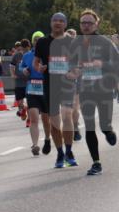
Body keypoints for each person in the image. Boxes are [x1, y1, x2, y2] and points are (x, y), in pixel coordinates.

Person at [69, 10, 119, 175]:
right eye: (83, 22)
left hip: (104, 90)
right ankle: (96, 163)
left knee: (104, 125)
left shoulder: (105, 42)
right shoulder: (75, 43)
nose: (86, 25)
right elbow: (70, 64)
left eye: (89, 23)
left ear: (96, 24)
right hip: (85, 90)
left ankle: (108, 131)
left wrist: (102, 64)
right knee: (89, 126)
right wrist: (72, 71)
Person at [33, 13, 78, 168]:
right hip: (49, 85)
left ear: (65, 24)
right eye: (55, 20)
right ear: (51, 23)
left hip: (67, 85)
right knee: (54, 122)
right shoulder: (42, 42)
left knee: (67, 116)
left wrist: (74, 73)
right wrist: (39, 68)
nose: (58, 23)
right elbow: (36, 63)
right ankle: (60, 153)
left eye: (61, 21)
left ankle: (69, 152)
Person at [20, 33, 51, 156]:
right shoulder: (27, 55)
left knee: (45, 119)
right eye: (35, 40)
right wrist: (24, 70)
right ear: (32, 42)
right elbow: (21, 67)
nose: (37, 42)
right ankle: (35, 144)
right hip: (32, 88)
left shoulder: (48, 53)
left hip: (45, 87)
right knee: (33, 119)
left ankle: (47, 139)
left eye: (39, 39)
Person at [10, 40, 29, 120]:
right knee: (20, 103)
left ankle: (29, 119)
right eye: (21, 47)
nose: (22, 48)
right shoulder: (16, 56)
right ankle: (23, 111)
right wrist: (12, 74)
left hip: (29, 82)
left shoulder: (30, 55)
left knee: (30, 102)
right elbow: (11, 66)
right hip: (19, 82)